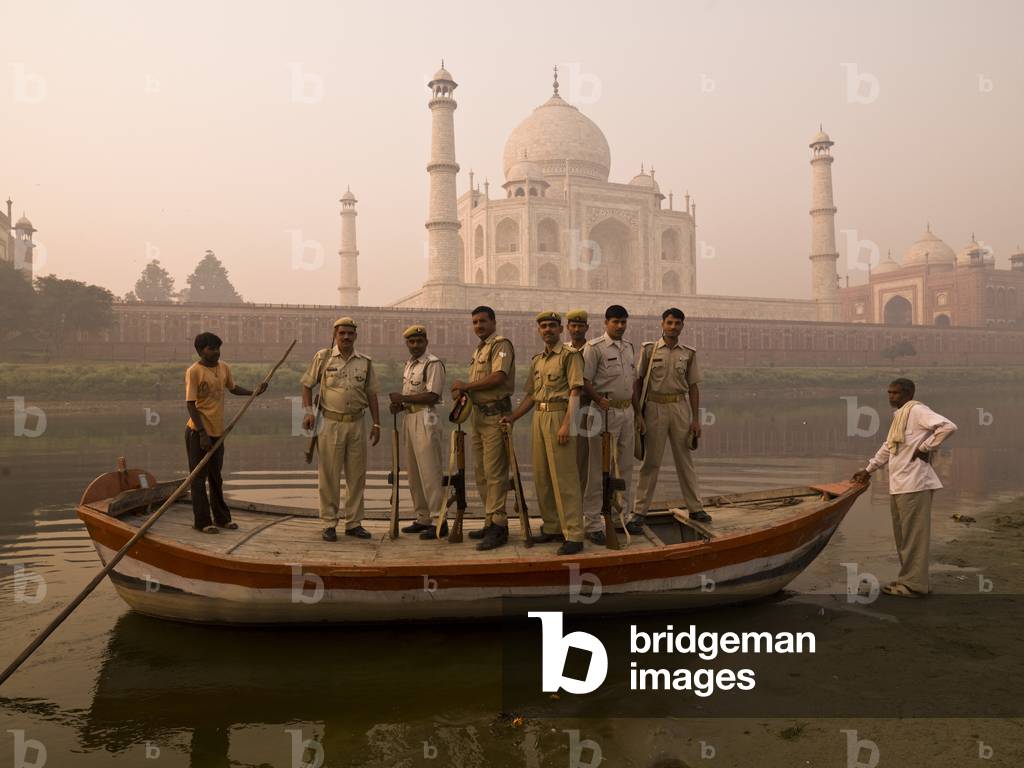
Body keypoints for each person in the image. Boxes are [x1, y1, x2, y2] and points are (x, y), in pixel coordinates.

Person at [851, 378, 957, 597]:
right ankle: (907, 580)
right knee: (903, 537)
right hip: (899, 484)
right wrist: (869, 469)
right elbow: (889, 447)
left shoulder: (917, 410)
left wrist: (926, 446)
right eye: (889, 392)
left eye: (896, 393)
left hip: (916, 484)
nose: (891, 397)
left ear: (908, 393)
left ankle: (914, 585)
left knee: (914, 537)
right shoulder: (900, 416)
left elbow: (948, 426)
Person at [501, 311, 586, 556]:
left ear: (561, 330)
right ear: (539, 331)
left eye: (552, 326)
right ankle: (552, 526)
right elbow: (531, 394)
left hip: (560, 415)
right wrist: (514, 416)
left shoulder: (570, 356)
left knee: (565, 477)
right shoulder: (538, 360)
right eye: (543, 326)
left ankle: (574, 533)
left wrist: (567, 424)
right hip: (539, 416)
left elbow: (575, 392)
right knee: (542, 476)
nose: (547, 330)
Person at [630, 307, 711, 534]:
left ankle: (695, 508)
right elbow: (637, 383)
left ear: (682, 326)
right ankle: (639, 512)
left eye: (677, 323)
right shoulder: (649, 350)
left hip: (679, 407)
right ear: (662, 324)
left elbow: (693, 387)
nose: (673, 327)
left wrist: (696, 419)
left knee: (684, 460)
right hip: (654, 407)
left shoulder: (688, 353)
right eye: (669, 322)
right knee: (651, 462)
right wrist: (638, 414)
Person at [301, 317, 381, 542]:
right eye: (342, 333)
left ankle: (354, 523)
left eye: (350, 333)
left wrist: (376, 423)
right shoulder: (323, 357)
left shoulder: (365, 362)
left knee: (357, 476)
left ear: (356, 336)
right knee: (329, 475)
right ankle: (329, 523)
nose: (346, 337)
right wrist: (308, 412)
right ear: (335, 335)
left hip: (357, 423)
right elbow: (307, 385)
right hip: (330, 423)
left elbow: (372, 394)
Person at [185, 331, 267, 533]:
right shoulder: (194, 371)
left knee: (216, 477)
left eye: (218, 348)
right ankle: (202, 522)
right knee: (198, 478)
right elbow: (191, 404)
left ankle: (222, 518)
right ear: (200, 351)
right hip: (198, 432)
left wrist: (253, 392)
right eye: (211, 348)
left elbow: (233, 388)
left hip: (217, 432)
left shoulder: (224, 368)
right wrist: (203, 434)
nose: (216, 352)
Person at [450, 306, 515, 551]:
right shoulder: (480, 349)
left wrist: (466, 385)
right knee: (481, 472)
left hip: (495, 416)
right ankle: (490, 521)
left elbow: (498, 377)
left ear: (494, 322)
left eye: (483, 321)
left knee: (496, 472)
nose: (478, 326)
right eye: (475, 322)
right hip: (477, 417)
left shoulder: (501, 345)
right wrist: (462, 392)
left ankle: (499, 525)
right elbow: (478, 385)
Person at [581, 304, 638, 544]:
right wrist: (598, 400)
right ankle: (593, 521)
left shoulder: (628, 347)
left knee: (625, 467)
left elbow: (632, 383)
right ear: (606, 323)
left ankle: (619, 517)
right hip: (603, 412)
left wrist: (639, 415)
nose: (620, 326)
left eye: (623, 322)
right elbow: (584, 380)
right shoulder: (594, 348)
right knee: (597, 469)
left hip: (626, 411)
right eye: (615, 322)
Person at [389, 324, 448, 539]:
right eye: (411, 342)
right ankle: (423, 517)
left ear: (426, 342)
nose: (415, 345)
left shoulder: (432, 364)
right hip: (410, 417)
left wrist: (403, 399)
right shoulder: (409, 365)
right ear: (407, 344)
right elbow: (410, 394)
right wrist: (400, 405)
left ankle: (439, 519)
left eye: (419, 341)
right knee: (414, 473)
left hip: (427, 417)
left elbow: (433, 395)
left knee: (430, 471)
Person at [565, 309, 591, 501]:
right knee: (566, 460)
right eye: (573, 326)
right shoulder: (563, 351)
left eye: (580, 326)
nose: (576, 329)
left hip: (586, 412)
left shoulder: (593, 350)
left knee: (583, 460)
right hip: (564, 412)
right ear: (567, 328)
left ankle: (581, 505)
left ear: (586, 328)